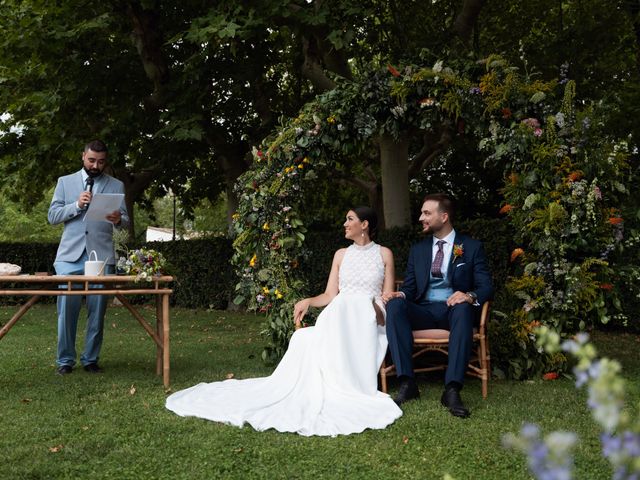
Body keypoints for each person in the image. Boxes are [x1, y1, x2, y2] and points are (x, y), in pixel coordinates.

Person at [166, 206, 402, 436]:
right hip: (339, 316)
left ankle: (350, 377)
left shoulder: (384, 254)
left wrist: (370, 307)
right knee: (314, 329)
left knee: (355, 304)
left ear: (364, 224)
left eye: (350, 219)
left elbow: (387, 297)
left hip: (369, 317)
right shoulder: (341, 254)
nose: (345, 224)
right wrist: (308, 300)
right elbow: (330, 295)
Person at [383, 193, 493, 418]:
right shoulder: (419, 250)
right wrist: (401, 294)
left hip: (453, 312)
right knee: (395, 306)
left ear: (443, 216)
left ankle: (452, 389)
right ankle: (407, 383)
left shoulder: (471, 247)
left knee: (463, 308)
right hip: (423, 310)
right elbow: (411, 288)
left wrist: (469, 295)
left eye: (426, 213)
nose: (421, 218)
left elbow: (486, 286)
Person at [48, 140, 129, 375]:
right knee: (66, 310)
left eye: (101, 162)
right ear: (83, 156)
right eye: (92, 160)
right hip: (69, 256)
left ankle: (90, 359)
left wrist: (118, 220)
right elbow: (52, 216)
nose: (96, 165)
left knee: (97, 311)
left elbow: (125, 224)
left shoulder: (116, 185)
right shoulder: (65, 182)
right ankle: (65, 361)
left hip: (101, 256)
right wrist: (75, 204)